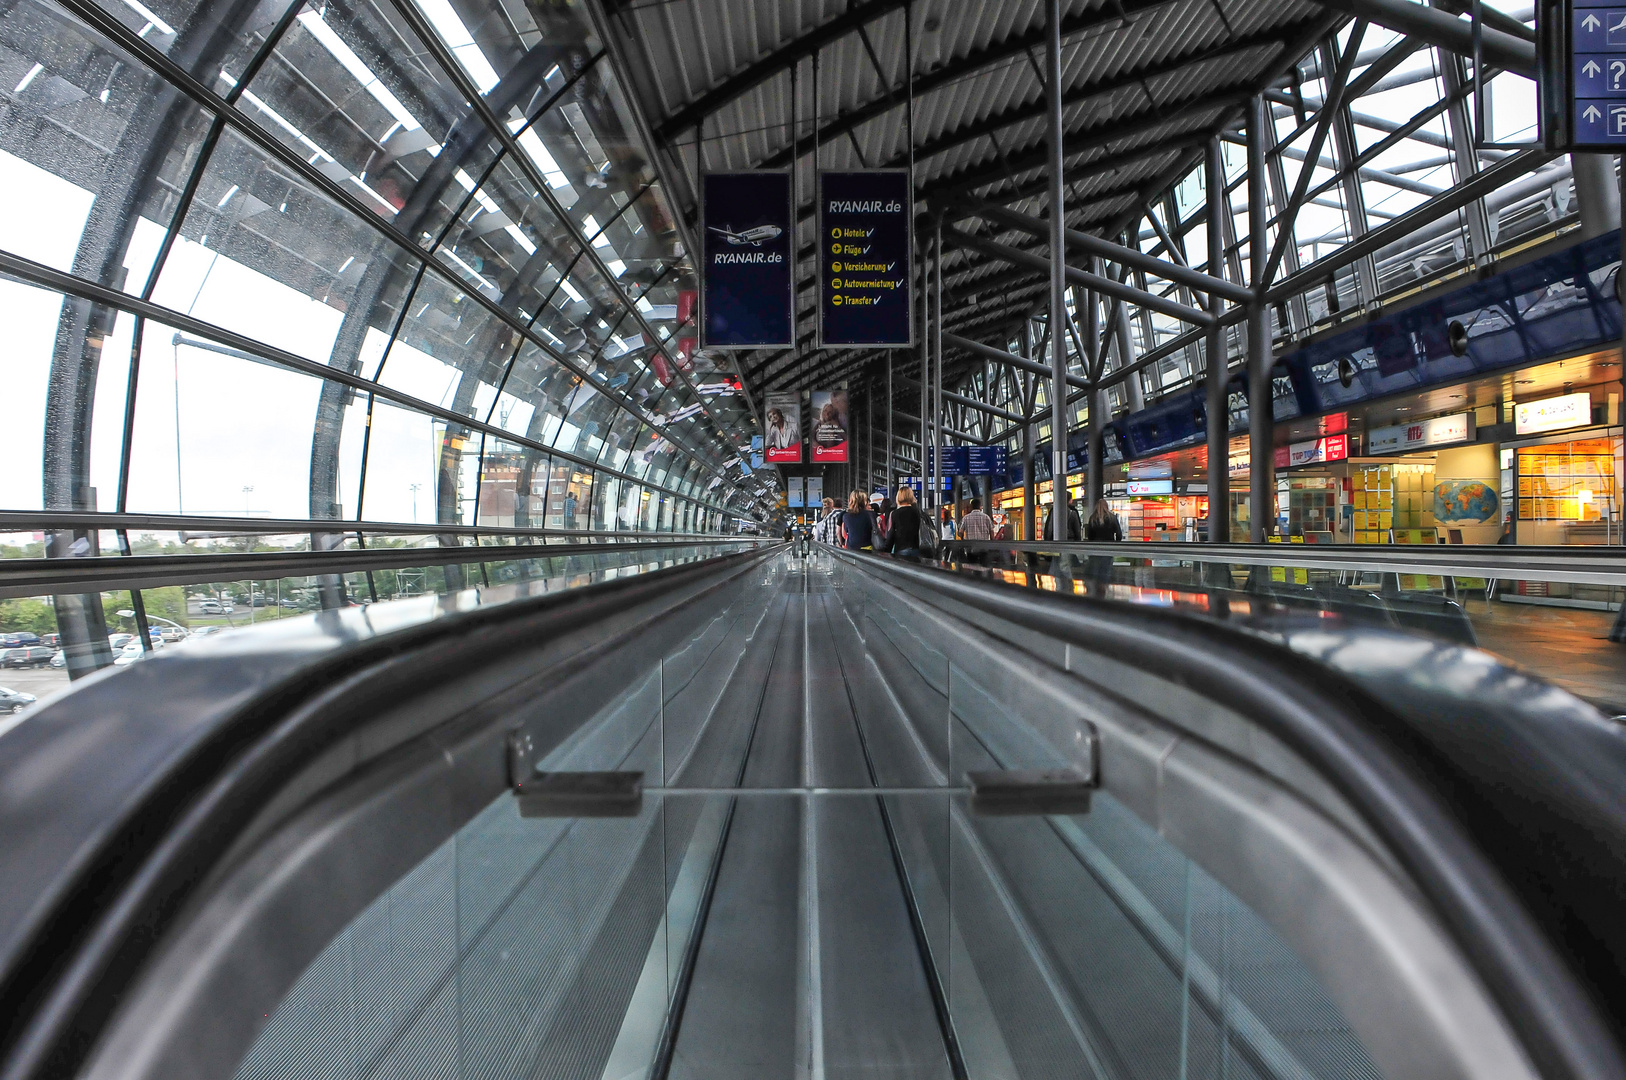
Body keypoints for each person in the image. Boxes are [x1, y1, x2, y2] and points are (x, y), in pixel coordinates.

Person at [1084, 499, 1122, 583]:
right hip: (1108, 548)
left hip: (1095, 549)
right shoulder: (1112, 517)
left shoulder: (1092, 518)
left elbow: (1090, 536)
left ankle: (1096, 588)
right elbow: (1119, 534)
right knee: (1106, 570)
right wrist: (1116, 544)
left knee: (1095, 570)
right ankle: (1104, 587)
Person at [884, 486, 925, 558]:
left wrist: (886, 551)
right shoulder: (916, 512)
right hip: (915, 549)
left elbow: (891, 534)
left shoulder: (895, 513)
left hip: (901, 548)